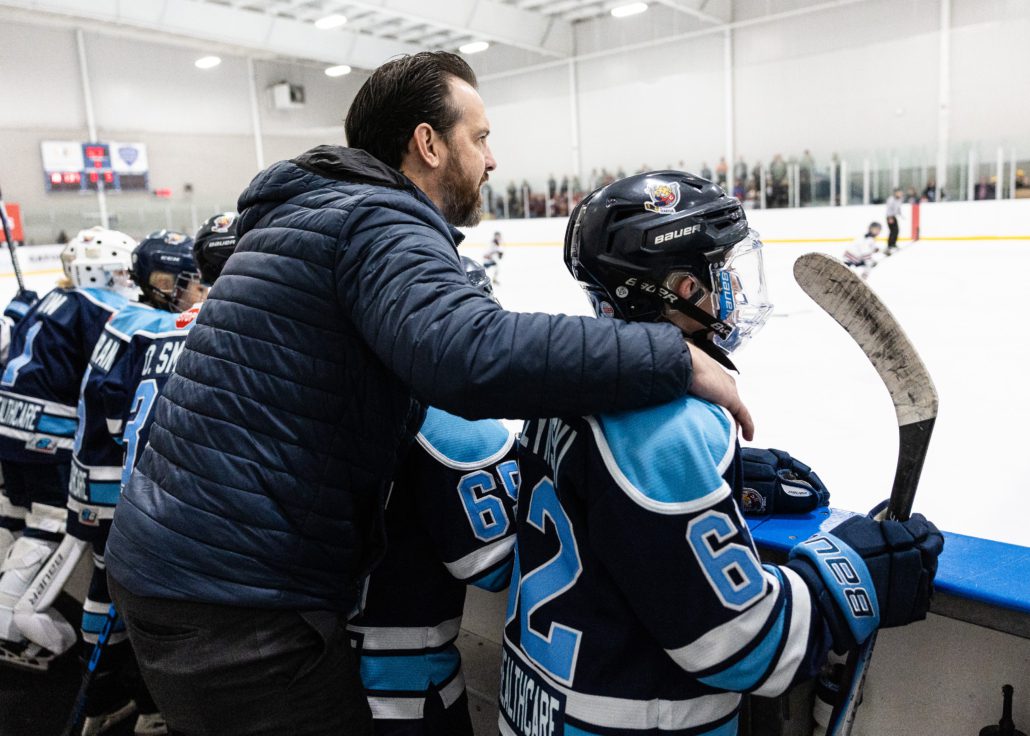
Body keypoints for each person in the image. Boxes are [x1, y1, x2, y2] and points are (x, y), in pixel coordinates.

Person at [105, 51, 751, 735]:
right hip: (232, 602)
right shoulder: (375, 219)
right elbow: (468, 355)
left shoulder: (316, 215)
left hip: (182, 573)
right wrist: (668, 356)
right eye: (480, 137)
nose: (492, 159)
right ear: (428, 143)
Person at [500, 171, 943, 736]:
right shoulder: (673, 425)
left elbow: (605, 513)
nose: (732, 286)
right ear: (682, 289)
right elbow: (740, 643)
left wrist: (714, 486)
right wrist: (858, 571)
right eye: (720, 271)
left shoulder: (560, 387)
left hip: (537, 713)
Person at [350, 257, 518, 736]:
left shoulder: (337, 395)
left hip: (310, 664)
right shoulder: (457, 433)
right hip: (403, 688)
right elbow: (496, 565)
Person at [66, 229, 201, 735]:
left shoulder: (126, 317)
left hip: (93, 474)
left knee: (108, 591)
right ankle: (144, 702)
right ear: (162, 281)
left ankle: (104, 696)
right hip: (120, 487)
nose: (195, 289)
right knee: (130, 601)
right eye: (186, 280)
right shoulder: (158, 328)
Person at [0, 227, 134, 673]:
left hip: (10, 426)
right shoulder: (102, 307)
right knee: (51, 524)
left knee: (19, 520)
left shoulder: (48, 299)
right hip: (47, 434)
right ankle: (10, 626)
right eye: (120, 269)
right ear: (103, 272)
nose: (127, 277)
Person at [885, 188, 903, 254]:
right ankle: (890, 245)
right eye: (899, 192)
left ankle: (893, 244)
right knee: (892, 231)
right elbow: (889, 208)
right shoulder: (891, 199)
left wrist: (900, 214)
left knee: (896, 230)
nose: (900, 194)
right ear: (895, 193)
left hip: (894, 216)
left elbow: (898, 207)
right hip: (890, 216)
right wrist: (890, 217)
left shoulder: (899, 199)